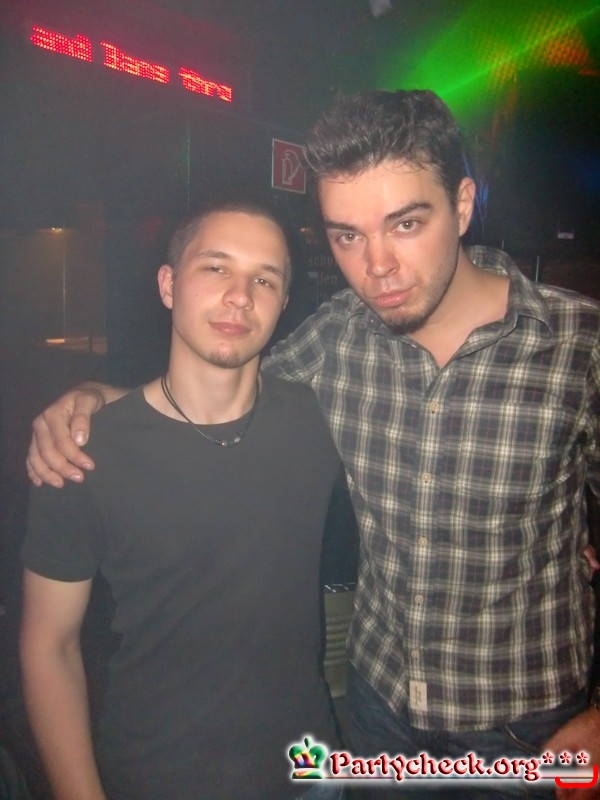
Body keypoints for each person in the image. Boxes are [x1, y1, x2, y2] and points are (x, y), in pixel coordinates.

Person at [26, 90, 600, 799]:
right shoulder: (337, 337)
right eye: (347, 235)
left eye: (406, 224)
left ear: (461, 205)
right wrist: (92, 396)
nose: (377, 266)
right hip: (375, 715)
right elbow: (219, 379)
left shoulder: (578, 346)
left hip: (532, 730)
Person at [20, 202, 345, 800]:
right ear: (168, 285)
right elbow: (49, 646)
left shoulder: (320, 420)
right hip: (156, 779)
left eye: (265, 279)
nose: (240, 296)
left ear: (282, 303)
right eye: (216, 268)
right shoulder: (81, 451)